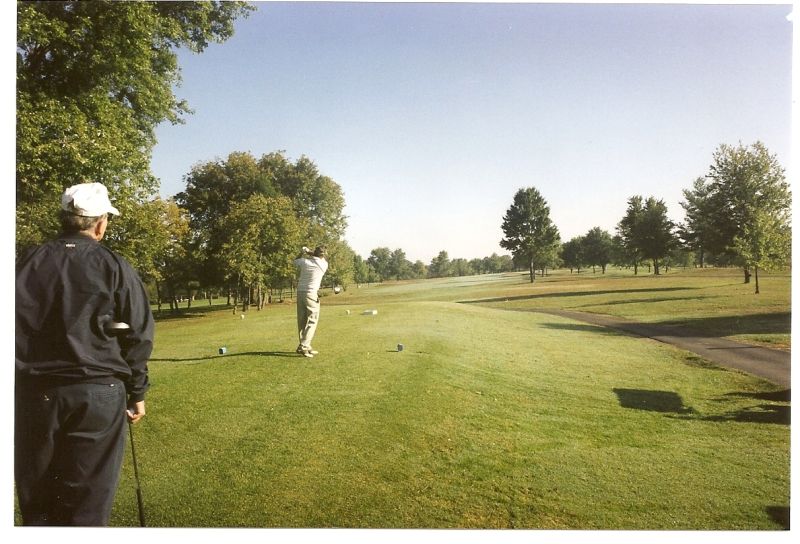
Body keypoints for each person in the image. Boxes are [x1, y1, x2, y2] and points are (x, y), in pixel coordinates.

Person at [15, 182, 154, 526]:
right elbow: (138, 334)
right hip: (99, 395)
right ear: (100, 222)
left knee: (40, 506)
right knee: (87, 509)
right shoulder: (114, 265)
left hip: (33, 394)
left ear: (64, 219)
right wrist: (137, 392)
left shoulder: (25, 261)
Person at [294, 245, 328, 358]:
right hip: (311, 294)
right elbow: (316, 255)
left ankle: (303, 346)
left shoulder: (304, 262)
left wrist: (302, 251)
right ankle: (304, 346)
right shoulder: (323, 264)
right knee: (312, 320)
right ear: (323, 255)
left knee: (302, 320)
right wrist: (309, 251)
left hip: (300, 293)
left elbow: (295, 261)